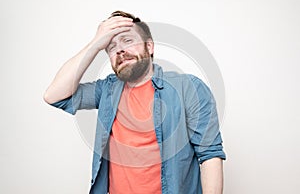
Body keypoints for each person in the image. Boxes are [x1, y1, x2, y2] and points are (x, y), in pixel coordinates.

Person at [44, 10, 226, 194]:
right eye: (111, 47)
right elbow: (54, 95)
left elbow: (210, 156)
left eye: (128, 41)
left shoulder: (188, 87)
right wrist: (94, 45)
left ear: (150, 46)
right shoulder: (106, 90)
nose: (120, 50)